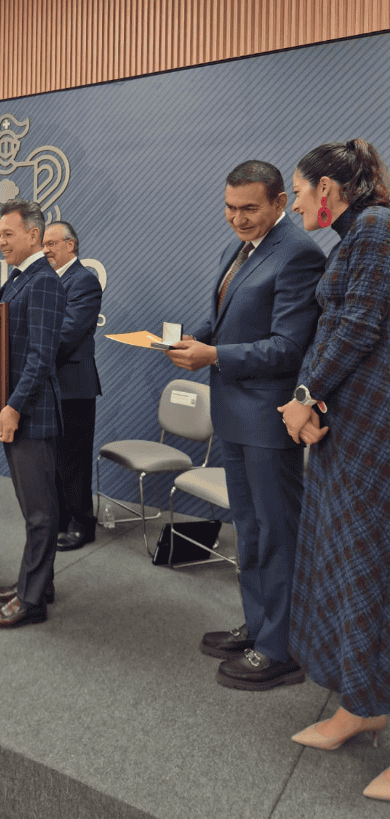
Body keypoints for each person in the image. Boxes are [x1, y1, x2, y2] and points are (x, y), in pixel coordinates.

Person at [168, 160, 325, 690]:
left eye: (249, 209)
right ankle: (260, 627)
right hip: (233, 413)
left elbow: (288, 348)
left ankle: (282, 649)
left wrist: (213, 355)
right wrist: (192, 340)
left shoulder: (299, 254)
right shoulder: (237, 248)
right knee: (250, 530)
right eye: (230, 208)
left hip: (268, 419)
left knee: (279, 534)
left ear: (280, 203)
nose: (237, 218)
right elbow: (222, 317)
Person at [276, 139, 390, 802]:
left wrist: (306, 394)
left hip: (373, 434)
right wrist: (311, 400)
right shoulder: (357, 235)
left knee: (375, 571)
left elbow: (359, 324)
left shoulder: (375, 228)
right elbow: (337, 328)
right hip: (346, 430)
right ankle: (363, 703)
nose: (295, 203)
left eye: (298, 189)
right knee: (348, 572)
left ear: (329, 187)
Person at [0, 198, 66, 629]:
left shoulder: (44, 282)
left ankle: (30, 602)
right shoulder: (17, 280)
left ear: (33, 235)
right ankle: (37, 583)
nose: (0, 240)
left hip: (32, 413)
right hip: (20, 410)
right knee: (34, 506)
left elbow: (41, 357)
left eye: (7, 233)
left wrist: (12, 407)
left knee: (39, 512)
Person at [42, 221, 102, 551]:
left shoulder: (84, 281)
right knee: (54, 459)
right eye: (44, 244)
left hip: (74, 386)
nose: (46, 249)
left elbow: (67, 334)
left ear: (71, 245)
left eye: (53, 243)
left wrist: (33, 352)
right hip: (50, 384)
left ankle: (82, 524)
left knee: (74, 461)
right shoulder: (46, 280)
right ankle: (61, 519)